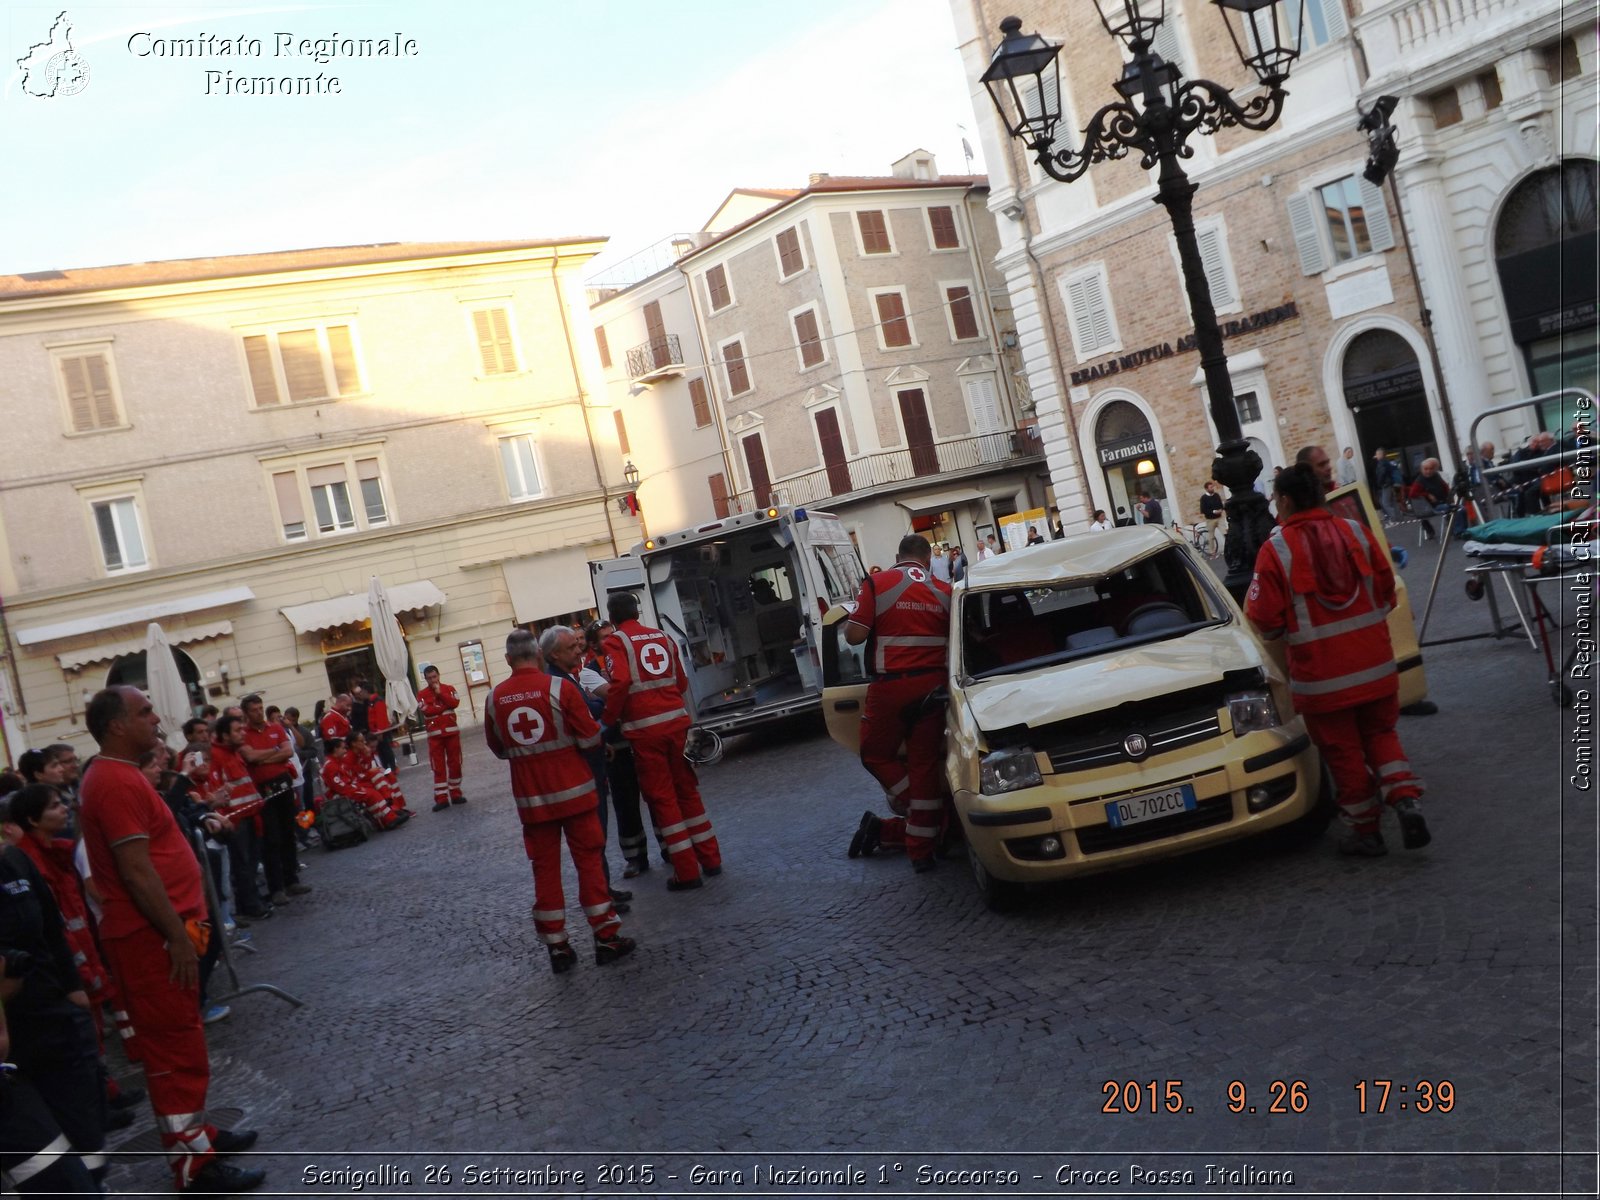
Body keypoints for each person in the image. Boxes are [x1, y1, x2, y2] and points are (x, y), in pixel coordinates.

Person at [77, 687, 265, 1194]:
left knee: (185, 1039)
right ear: (117, 726)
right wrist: (175, 939)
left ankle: (199, 1137)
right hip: (152, 939)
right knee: (173, 1052)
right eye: (144, 713)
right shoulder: (114, 782)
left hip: (171, 931)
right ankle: (191, 1165)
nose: (156, 720)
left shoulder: (121, 776)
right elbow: (137, 873)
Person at [1244, 465, 1429, 858]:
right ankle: (1405, 797)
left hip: (1323, 678)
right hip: (1376, 666)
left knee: (1342, 752)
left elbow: (1261, 617)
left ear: (1288, 500)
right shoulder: (1355, 532)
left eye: (1277, 498)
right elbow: (1386, 592)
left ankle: (1366, 830)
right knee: (1382, 735)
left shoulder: (1276, 549)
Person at [485, 630, 633, 973]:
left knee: (545, 871)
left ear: (508, 660)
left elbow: (499, 749)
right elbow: (588, 737)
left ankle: (558, 947)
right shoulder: (560, 688)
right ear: (539, 655)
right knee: (590, 863)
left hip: (532, 801)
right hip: (575, 793)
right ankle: (606, 937)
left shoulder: (494, 699)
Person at [0, 835, 108, 1194]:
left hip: (51, 1015)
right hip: (12, 1041)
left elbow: (52, 926)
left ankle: (94, 1182)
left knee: (84, 1129)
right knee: (49, 1169)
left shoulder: (15, 861)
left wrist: (73, 987)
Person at [843, 534, 953, 873]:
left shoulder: (878, 583)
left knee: (875, 754)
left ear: (898, 555)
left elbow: (854, 636)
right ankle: (921, 850)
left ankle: (924, 815)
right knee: (923, 764)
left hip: (891, 686)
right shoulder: (945, 592)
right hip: (935, 687)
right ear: (927, 559)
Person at [600, 593, 723, 891]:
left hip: (645, 733)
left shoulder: (615, 643)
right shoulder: (663, 638)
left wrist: (607, 719)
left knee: (663, 799)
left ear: (612, 616)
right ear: (637, 611)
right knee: (688, 792)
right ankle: (711, 859)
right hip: (677, 726)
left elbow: (621, 683)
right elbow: (681, 683)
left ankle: (686, 872)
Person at [540, 626, 633, 912]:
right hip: (583, 769)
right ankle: (601, 896)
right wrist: (599, 709)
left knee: (599, 831)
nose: (579, 650)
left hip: (590, 761)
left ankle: (604, 888)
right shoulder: (558, 681)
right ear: (555, 654)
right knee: (593, 833)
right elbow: (586, 710)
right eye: (572, 647)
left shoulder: (566, 676)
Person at [584, 621, 650, 875]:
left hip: (641, 735)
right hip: (617, 745)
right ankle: (635, 857)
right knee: (625, 804)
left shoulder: (627, 657)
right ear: (593, 645)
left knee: (656, 796)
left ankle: (669, 847)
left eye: (613, 634)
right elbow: (616, 693)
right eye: (604, 637)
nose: (612, 639)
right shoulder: (589, 672)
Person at [239, 694, 308, 908]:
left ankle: (291, 880)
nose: (259, 712)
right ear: (246, 713)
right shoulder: (243, 734)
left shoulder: (275, 728)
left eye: (260, 708)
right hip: (262, 790)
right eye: (254, 710)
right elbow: (249, 758)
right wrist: (275, 752)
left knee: (288, 833)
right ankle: (276, 888)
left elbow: (288, 751)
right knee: (271, 839)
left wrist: (265, 757)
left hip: (283, 784)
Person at [208, 714, 272, 922]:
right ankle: (250, 905)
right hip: (236, 820)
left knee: (251, 862)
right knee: (242, 865)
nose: (243, 733)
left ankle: (252, 900)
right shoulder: (216, 756)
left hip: (250, 815)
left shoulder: (234, 754)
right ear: (225, 735)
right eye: (237, 730)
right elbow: (216, 789)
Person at [322, 732, 410, 831]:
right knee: (371, 793)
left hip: (348, 787)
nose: (345, 750)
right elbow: (341, 786)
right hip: (339, 794)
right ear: (335, 749)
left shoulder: (336, 761)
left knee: (381, 779)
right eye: (342, 748)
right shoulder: (332, 765)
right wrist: (358, 787)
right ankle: (387, 819)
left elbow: (359, 772)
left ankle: (393, 810)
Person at [417, 665, 466, 812]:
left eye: (434, 677)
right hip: (435, 736)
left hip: (451, 733)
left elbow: (455, 703)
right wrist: (443, 706)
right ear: (425, 679)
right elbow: (427, 710)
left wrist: (441, 695)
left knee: (455, 763)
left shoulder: (449, 688)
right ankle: (441, 797)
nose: (433, 680)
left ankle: (455, 793)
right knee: (437, 767)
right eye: (429, 678)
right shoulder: (421, 694)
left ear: (439, 675)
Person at [1407, 457, 1452, 539]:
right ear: (1421, 469)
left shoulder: (1436, 476)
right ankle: (1455, 529)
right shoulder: (1419, 481)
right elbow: (1412, 494)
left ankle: (1453, 528)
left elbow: (1445, 486)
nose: (1428, 471)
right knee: (1451, 508)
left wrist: (1449, 494)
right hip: (1430, 507)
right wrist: (1427, 494)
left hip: (1441, 502)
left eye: (1431, 469)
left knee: (1456, 508)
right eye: (1426, 469)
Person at [1371, 448, 1402, 523]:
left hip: (1385, 485)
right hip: (1390, 483)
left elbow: (1381, 473)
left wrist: (1379, 483)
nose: (1376, 456)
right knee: (1393, 501)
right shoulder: (1387, 461)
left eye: (1377, 454)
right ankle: (1399, 517)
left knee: (1385, 503)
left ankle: (1394, 519)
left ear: (1380, 454)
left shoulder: (1381, 463)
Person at [1197, 484, 1223, 555]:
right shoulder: (1203, 498)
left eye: (1212, 487)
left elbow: (1220, 504)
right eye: (1210, 487)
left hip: (1219, 518)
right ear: (1206, 489)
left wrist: (1221, 509)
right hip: (1210, 519)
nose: (1212, 488)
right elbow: (1203, 510)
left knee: (1225, 533)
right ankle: (1212, 552)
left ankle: (1230, 548)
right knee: (1211, 537)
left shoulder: (1216, 495)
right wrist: (1214, 511)